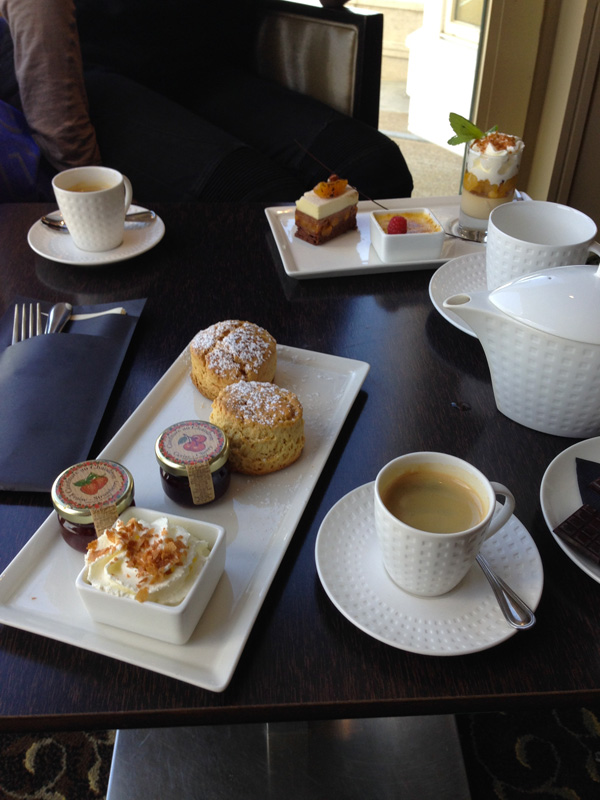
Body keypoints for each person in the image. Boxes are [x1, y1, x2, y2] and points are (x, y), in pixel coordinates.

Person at [0, 0, 414, 203]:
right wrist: (85, 185)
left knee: (376, 166)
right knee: (259, 200)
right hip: (86, 73)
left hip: (197, 64)